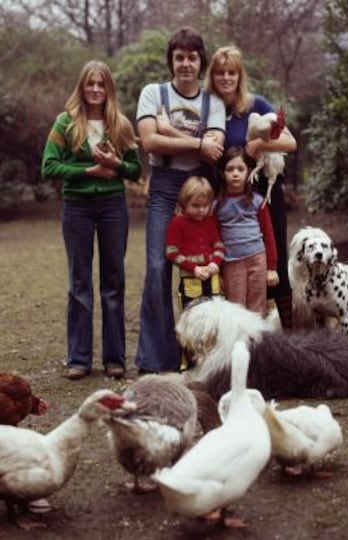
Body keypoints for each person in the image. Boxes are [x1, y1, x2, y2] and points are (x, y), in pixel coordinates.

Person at [41, 60, 141, 380]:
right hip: (77, 207)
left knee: (113, 282)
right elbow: (49, 167)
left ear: (109, 88)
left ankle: (114, 358)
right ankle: (79, 358)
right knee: (79, 282)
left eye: (101, 84)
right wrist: (88, 172)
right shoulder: (66, 123)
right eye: (90, 84)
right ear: (82, 87)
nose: (96, 90)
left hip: (113, 206)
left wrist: (116, 163)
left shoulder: (120, 125)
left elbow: (137, 170)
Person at [135, 27, 226, 374]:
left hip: (200, 189)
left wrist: (170, 131)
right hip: (163, 187)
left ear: (200, 62)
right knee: (158, 267)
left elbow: (215, 149)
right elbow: (149, 142)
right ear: (171, 61)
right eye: (179, 57)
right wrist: (197, 143)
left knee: (207, 268)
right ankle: (156, 358)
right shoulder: (153, 94)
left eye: (192, 57)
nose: (185, 64)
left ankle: (205, 352)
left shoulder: (213, 103)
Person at [206, 46, 297, 328]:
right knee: (233, 261)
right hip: (229, 194)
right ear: (212, 76)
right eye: (220, 72)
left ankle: (288, 333)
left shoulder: (256, 105)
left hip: (263, 191)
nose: (226, 78)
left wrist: (258, 144)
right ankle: (237, 331)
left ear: (239, 75)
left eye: (232, 72)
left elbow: (291, 142)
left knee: (275, 260)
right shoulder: (209, 109)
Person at [215, 146, 278, 315]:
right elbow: (214, 239)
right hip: (231, 262)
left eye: (240, 169)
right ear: (222, 173)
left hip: (257, 258)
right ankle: (237, 341)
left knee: (257, 306)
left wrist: (271, 268)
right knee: (235, 308)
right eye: (230, 169)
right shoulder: (216, 204)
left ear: (249, 172)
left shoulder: (258, 201)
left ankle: (256, 341)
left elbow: (269, 234)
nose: (235, 173)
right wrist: (217, 271)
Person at [165, 175, 224, 310]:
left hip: (212, 278)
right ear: (184, 203)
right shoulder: (177, 223)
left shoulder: (209, 220)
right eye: (195, 206)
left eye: (205, 205)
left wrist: (215, 262)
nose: (201, 210)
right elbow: (171, 252)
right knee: (191, 317)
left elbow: (219, 245)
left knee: (214, 316)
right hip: (191, 280)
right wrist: (193, 268)